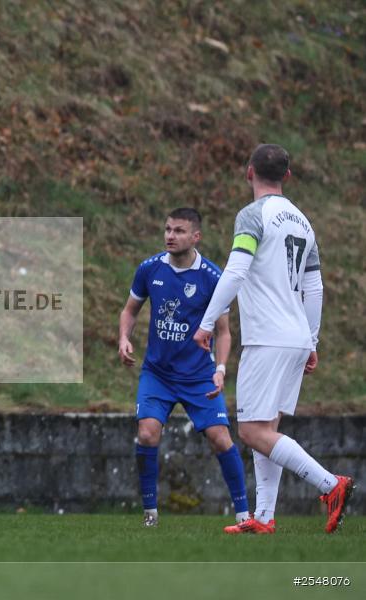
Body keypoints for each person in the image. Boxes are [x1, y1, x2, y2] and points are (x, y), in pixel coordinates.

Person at [194, 144, 354, 534]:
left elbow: (234, 272)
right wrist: (312, 339)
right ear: (288, 176)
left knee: (251, 431)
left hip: (267, 338)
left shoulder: (252, 215)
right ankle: (264, 518)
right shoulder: (303, 222)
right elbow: (314, 287)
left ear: (248, 172)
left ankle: (331, 485)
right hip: (296, 335)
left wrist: (206, 322)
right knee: (266, 427)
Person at [119, 208, 249, 528]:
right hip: (158, 373)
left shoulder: (213, 277)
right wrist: (124, 337)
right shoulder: (149, 269)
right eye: (167, 229)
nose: (170, 236)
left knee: (220, 438)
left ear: (195, 237)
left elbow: (224, 332)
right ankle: (150, 513)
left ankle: (244, 514)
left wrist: (219, 368)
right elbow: (130, 309)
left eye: (178, 231)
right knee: (147, 433)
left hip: (198, 375)